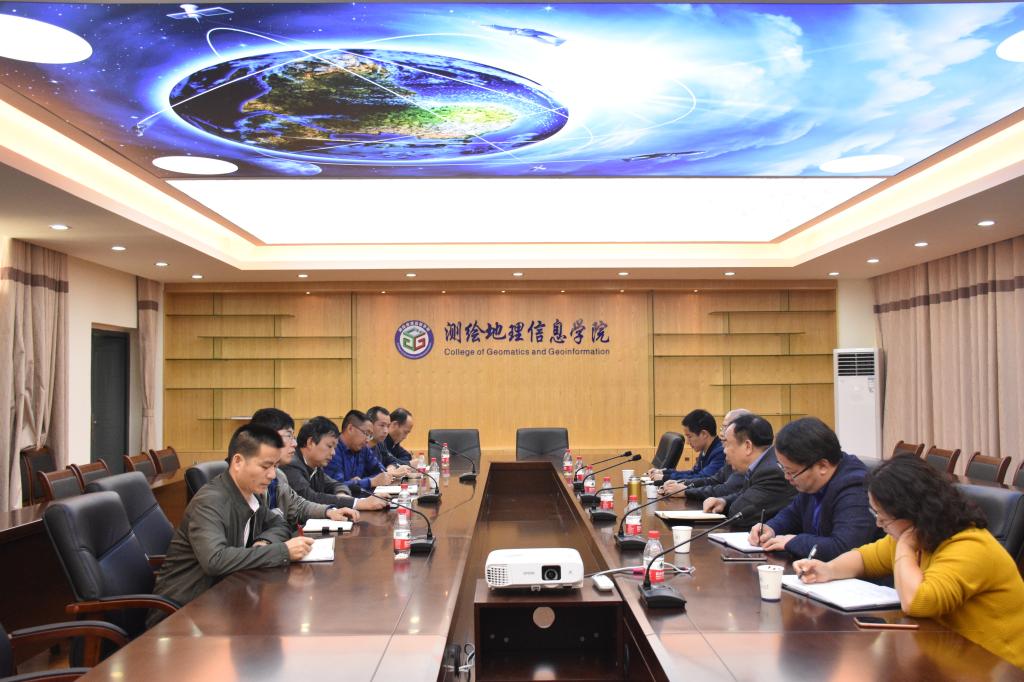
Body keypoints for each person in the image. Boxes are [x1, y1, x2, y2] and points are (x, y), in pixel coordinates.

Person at [794, 456, 1024, 668]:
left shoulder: (969, 546)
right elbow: (866, 558)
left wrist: (904, 546)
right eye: (876, 514)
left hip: (998, 666)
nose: (879, 524)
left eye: (883, 517)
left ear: (914, 512)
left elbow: (917, 602)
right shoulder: (922, 534)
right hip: (947, 654)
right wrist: (828, 569)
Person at [152, 424, 314, 614]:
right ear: (238, 462)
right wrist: (282, 551)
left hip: (224, 599)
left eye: (275, 466)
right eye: (265, 466)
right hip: (183, 611)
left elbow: (279, 523)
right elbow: (215, 560)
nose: (272, 475)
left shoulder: (250, 494)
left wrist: (264, 542)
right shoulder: (210, 501)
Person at [746, 417, 879, 561]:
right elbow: (793, 513)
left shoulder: (855, 487)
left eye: (791, 472)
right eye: (783, 469)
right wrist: (771, 528)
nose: (786, 477)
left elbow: (845, 548)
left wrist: (794, 542)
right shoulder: (814, 481)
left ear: (822, 466)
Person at [249, 408, 361, 527]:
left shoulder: (280, 475)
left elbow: (298, 506)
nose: (295, 443)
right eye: (289, 436)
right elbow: (308, 498)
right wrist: (356, 502)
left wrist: (329, 511)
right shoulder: (290, 466)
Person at [702, 414, 795, 529]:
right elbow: (745, 495)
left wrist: (727, 505)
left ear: (747, 446)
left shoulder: (770, 472)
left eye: (728, 444)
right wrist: (723, 501)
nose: (724, 451)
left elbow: (739, 512)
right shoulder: (761, 464)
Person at [281, 416, 387, 511]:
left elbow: (336, 484)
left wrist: (342, 495)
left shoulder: (316, 466)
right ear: (311, 442)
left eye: (335, 448)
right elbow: (310, 498)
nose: (333, 453)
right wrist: (358, 503)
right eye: (329, 446)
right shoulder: (291, 464)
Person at [661, 409, 750, 498]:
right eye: (722, 428)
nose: (721, 433)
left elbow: (725, 489)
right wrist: (682, 483)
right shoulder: (712, 450)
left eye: (726, 428)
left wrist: (686, 491)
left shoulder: (722, 452)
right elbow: (713, 480)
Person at [324, 410, 396, 494]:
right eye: (366, 433)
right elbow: (336, 486)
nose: (367, 440)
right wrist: (369, 482)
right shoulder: (332, 451)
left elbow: (382, 473)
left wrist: (358, 482)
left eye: (370, 435)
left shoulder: (363, 448)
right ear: (350, 428)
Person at [647, 409, 724, 483]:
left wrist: (665, 477)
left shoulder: (720, 452)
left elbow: (702, 478)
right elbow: (694, 473)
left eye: (689, 436)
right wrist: (664, 472)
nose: (687, 442)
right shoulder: (705, 449)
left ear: (704, 434)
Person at [366, 405, 414, 474]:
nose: (386, 431)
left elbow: (392, 461)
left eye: (388, 426)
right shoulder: (360, 447)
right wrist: (390, 473)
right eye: (382, 425)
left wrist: (391, 468)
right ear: (369, 425)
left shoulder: (380, 444)